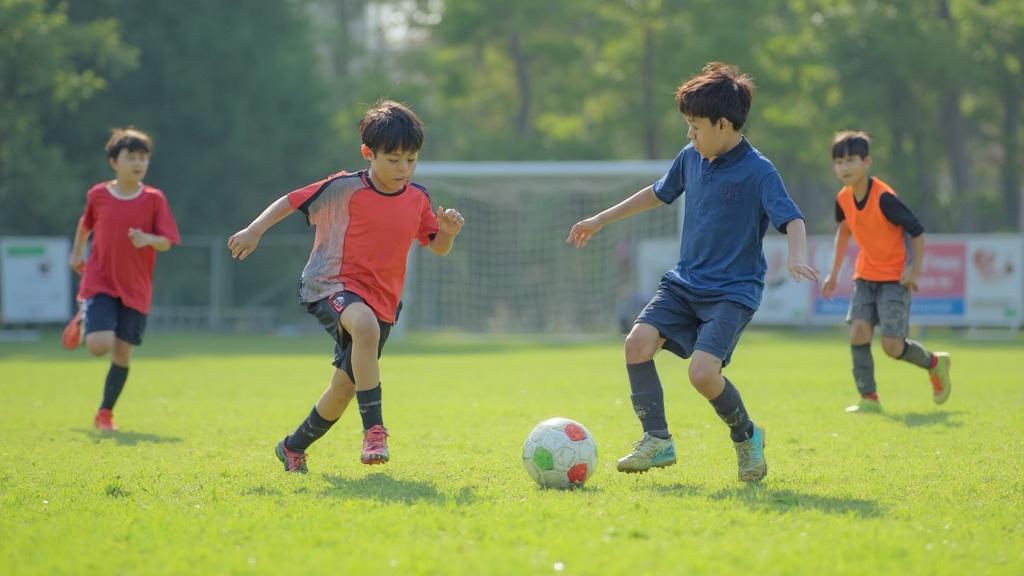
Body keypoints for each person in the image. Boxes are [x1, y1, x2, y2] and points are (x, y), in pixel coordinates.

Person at [567, 63, 818, 482]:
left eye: (695, 127)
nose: (689, 135)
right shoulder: (691, 158)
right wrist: (600, 219)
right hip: (684, 284)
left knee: (702, 374)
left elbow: (792, 219)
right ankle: (657, 439)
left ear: (723, 125)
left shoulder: (759, 170)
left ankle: (747, 436)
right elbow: (656, 193)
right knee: (636, 344)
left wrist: (795, 255)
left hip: (732, 292)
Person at [228, 100, 464, 473]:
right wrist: (254, 230)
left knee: (343, 389)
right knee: (365, 326)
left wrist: (447, 234)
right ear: (368, 153)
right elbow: (291, 201)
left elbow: (436, 246)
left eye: (411, 160)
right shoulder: (343, 187)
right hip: (329, 285)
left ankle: (291, 447)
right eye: (394, 160)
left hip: (383, 301)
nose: (403, 169)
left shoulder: (418, 198)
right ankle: (374, 432)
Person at [821, 131, 951, 413]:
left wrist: (914, 271)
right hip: (864, 276)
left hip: (894, 279)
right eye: (839, 162)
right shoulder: (843, 198)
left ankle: (934, 363)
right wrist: (834, 273)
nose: (844, 168)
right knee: (858, 332)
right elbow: (844, 231)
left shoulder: (884, 198)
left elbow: (917, 233)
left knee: (892, 346)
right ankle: (869, 398)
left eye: (851, 160)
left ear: (866, 162)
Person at [62, 127, 180, 432]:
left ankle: (105, 412)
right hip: (100, 279)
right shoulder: (98, 194)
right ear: (114, 162)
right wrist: (76, 253)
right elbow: (85, 223)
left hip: (136, 286)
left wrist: (147, 239)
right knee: (99, 346)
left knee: (123, 352)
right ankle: (87, 313)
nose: (138, 163)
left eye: (143, 157)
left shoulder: (154, 199)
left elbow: (166, 242)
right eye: (131, 157)